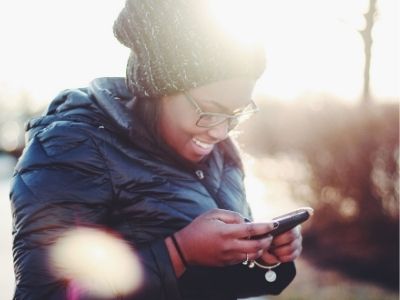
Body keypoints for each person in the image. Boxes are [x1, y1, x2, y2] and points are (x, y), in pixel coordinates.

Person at [9, 0, 302, 299]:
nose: (220, 131)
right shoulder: (71, 149)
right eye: (210, 110)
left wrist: (259, 252)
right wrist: (178, 253)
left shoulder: (221, 152)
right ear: (158, 87)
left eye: (236, 113)